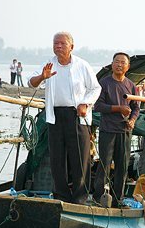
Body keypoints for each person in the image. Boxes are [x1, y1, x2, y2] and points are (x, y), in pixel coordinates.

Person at [28, 32, 101, 204]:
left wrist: (85, 103)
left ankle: (80, 198)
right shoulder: (48, 64)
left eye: (62, 43)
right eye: (55, 43)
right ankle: (61, 196)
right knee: (57, 159)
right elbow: (31, 82)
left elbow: (95, 89)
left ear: (71, 47)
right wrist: (42, 77)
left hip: (77, 115)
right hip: (55, 116)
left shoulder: (82, 65)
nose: (58, 46)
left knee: (80, 158)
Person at [93, 52, 140, 207]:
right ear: (112, 64)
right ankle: (98, 197)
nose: (119, 65)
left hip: (125, 131)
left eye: (122, 62)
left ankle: (117, 200)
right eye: (116, 62)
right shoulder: (104, 83)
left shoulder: (131, 86)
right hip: (108, 130)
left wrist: (132, 120)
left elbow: (136, 108)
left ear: (128, 66)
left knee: (122, 166)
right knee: (104, 165)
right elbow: (98, 106)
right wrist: (118, 108)